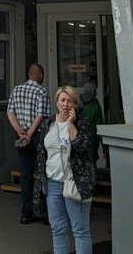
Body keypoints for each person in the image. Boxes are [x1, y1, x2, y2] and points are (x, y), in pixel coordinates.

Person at [33, 86, 94, 254]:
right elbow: (41, 153)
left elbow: (82, 147)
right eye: (62, 100)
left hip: (75, 183)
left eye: (70, 101)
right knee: (58, 230)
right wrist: (39, 183)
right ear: (57, 102)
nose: (66, 104)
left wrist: (70, 124)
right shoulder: (48, 123)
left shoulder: (81, 123)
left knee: (80, 231)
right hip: (53, 183)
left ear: (75, 104)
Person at [7, 62, 50, 224]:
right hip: (37, 137)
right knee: (43, 174)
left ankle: (26, 212)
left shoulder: (16, 90)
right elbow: (41, 115)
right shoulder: (41, 91)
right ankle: (43, 212)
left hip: (22, 138)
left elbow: (10, 112)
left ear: (28, 74)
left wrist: (20, 131)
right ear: (41, 75)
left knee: (25, 176)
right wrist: (31, 133)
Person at [78, 81, 104, 166]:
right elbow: (100, 124)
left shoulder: (78, 102)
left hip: (78, 136)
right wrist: (104, 148)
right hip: (91, 138)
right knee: (91, 162)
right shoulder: (95, 105)